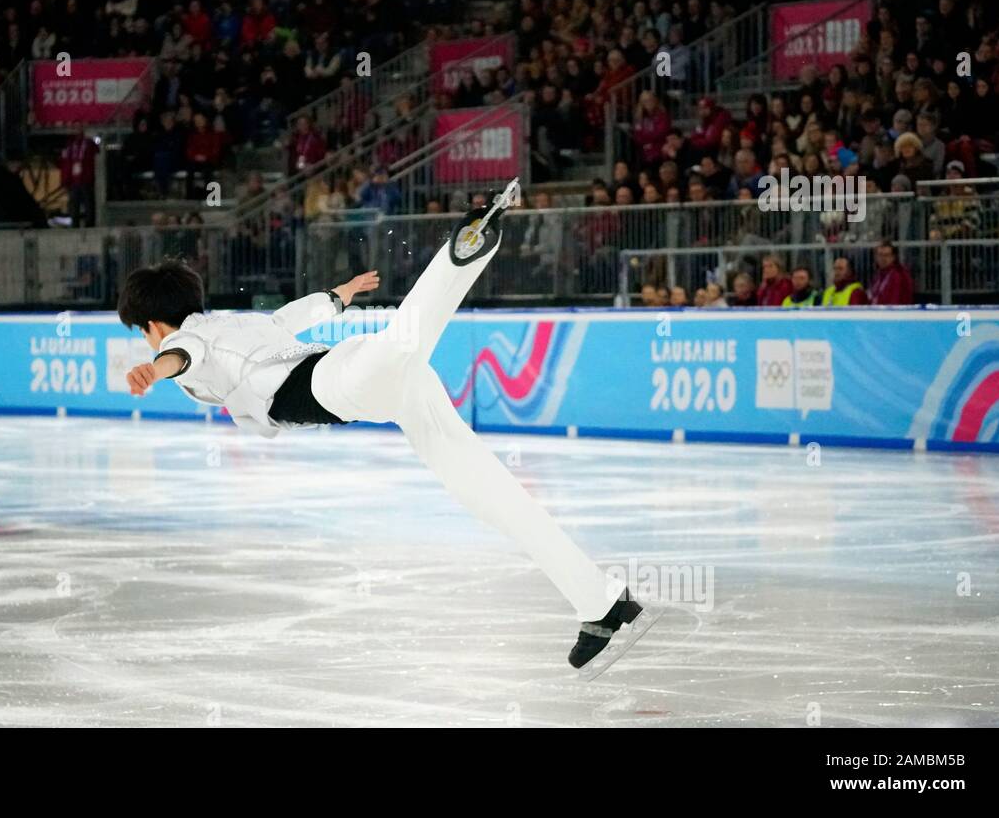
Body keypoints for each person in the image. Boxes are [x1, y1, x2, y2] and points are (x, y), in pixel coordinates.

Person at [118, 185, 651, 671]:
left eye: (145, 337)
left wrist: (153, 368)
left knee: (401, 342)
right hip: (379, 388)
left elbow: (179, 355)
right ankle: (600, 600)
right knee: (486, 492)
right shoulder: (235, 321)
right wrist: (338, 295)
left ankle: (463, 249)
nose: (151, 345)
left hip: (335, 383)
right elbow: (289, 317)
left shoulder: (183, 340)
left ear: (151, 325)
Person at [868, 240, 915, 305]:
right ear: (876, 257)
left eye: (886, 255)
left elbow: (895, 301)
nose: (883, 258)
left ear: (893, 257)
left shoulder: (898, 275)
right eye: (880, 255)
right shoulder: (878, 275)